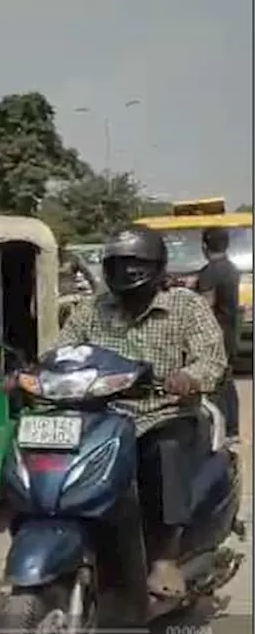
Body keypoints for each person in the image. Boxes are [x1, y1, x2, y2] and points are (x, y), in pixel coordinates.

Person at [54, 225, 227, 601]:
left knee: (164, 451)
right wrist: (32, 375)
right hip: (101, 417)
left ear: (155, 266)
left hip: (162, 414)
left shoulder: (185, 305)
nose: (126, 272)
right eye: (117, 264)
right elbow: (63, 352)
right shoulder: (92, 309)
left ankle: (164, 557)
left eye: (135, 264)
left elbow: (212, 359)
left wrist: (189, 376)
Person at [193, 227, 242, 440]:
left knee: (214, 386)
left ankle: (220, 431)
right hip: (231, 332)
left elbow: (206, 305)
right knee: (226, 382)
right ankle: (232, 429)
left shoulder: (210, 272)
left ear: (204, 246)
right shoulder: (230, 268)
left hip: (216, 336)